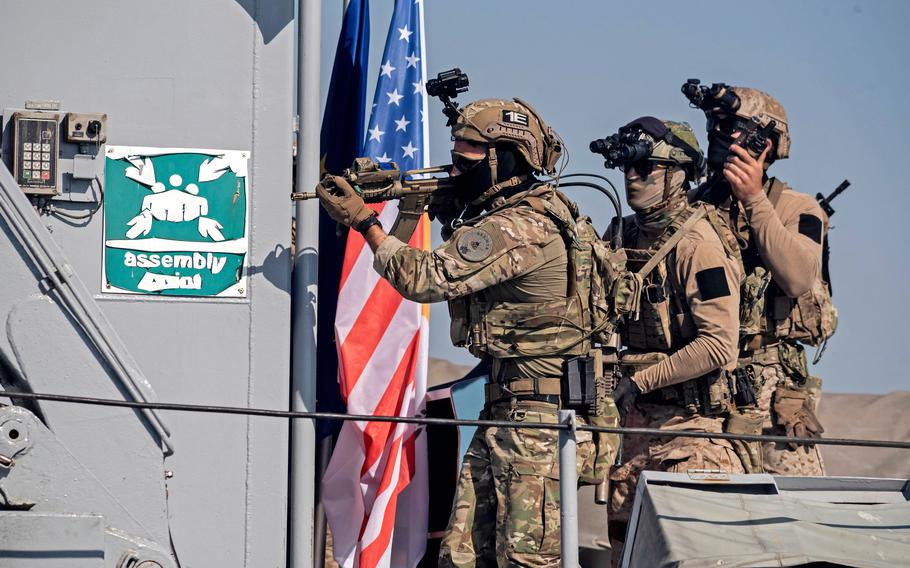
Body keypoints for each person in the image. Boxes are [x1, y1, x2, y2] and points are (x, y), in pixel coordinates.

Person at [317, 97, 621, 567]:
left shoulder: (519, 225)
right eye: (457, 146)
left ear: (509, 157)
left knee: (526, 560)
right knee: (461, 557)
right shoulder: (536, 211)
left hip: (538, 422)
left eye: (472, 150)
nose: (458, 159)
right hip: (512, 411)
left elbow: (426, 278)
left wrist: (365, 223)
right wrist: (423, 206)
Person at [600, 117, 745, 546]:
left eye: (645, 168)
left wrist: (639, 381)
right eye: (627, 167)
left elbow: (719, 344)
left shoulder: (698, 243)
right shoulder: (620, 235)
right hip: (630, 438)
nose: (631, 177)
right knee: (626, 553)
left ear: (679, 174)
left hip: (690, 436)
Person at [688, 83, 834, 476]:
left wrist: (754, 200)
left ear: (764, 144)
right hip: (704, 388)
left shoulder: (796, 208)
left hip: (772, 395)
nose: (718, 136)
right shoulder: (694, 208)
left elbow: (799, 278)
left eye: (731, 128)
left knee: (792, 515)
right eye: (714, 125)